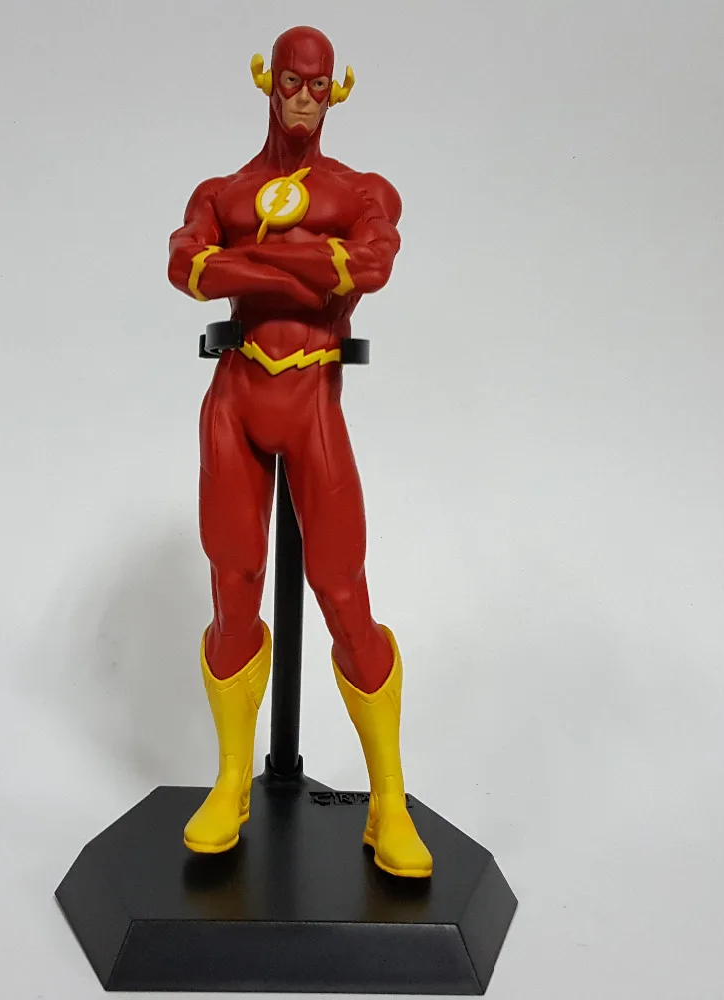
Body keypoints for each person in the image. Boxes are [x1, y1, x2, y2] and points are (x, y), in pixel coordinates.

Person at [167, 25, 432, 878]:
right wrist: (298, 271)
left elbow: (373, 266)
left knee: (344, 593)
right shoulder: (222, 191)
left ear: (337, 89)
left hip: (313, 396)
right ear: (268, 82)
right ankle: (233, 781)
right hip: (237, 396)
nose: (305, 98)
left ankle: (388, 799)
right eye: (292, 82)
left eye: (319, 85)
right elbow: (185, 266)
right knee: (234, 585)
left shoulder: (362, 191)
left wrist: (246, 264)